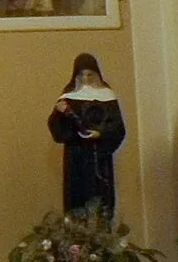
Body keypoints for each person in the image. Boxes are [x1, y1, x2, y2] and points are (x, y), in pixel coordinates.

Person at [48, 52, 127, 217]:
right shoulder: (69, 97)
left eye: (90, 74)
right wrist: (59, 113)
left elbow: (118, 127)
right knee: (77, 199)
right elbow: (57, 129)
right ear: (76, 75)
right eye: (82, 74)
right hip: (76, 156)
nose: (86, 78)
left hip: (99, 157)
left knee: (101, 199)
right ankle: (76, 237)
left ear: (96, 73)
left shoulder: (107, 96)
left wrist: (100, 133)